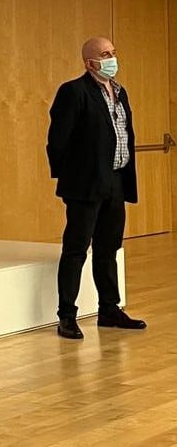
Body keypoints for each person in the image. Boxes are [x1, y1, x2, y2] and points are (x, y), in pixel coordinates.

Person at [46, 36, 147, 340]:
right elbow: (58, 140)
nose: (112, 58)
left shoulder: (119, 91)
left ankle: (109, 309)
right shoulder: (73, 92)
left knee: (109, 248)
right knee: (76, 249)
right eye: (105, 54)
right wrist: (72, 177)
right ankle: (66, 315)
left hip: (115, 181)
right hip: (85, 186)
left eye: (114, 52)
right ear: (89, 62)